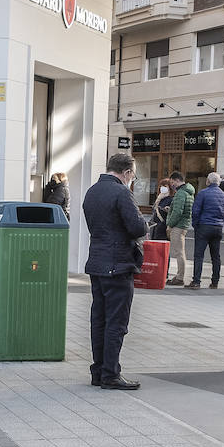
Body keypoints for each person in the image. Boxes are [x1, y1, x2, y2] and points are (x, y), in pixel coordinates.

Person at [82, 153, 147, 391]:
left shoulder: (92, 192)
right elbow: (137, 227)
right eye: (133, 175)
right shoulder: (122, 193)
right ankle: (111, 374)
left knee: (98, 320)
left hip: (97, 264)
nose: (132, 179)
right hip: (118, 265)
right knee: (116, 322)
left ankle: (98, 371)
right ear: (127, 172)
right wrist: (145, 223)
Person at [188, 172, 224, 289]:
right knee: (215, 256)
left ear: (208, 181)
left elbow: (195, 211)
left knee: (199, 255)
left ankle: (196, 281)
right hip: (217, 228)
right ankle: (215, 282)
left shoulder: (202, 193)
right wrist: (221, 224)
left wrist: (196, 225)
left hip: (204, 226)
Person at [165, 172, 195, 286]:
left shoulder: (181, 193)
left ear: (177, 180)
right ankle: (179, 276)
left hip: (178, 225)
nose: (172, 185)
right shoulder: (188, 192)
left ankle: (179, 277)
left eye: (172, 182)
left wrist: (170, 224)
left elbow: (178, 212)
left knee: (179, 252)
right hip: (184, 224)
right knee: (180, 251)